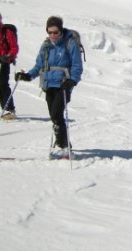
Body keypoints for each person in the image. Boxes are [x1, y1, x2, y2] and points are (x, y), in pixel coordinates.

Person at [15, 16, 83, 158]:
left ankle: (65, 147)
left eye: (55, 32)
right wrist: (28, 76)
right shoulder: (46, 45)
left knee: (56, 114)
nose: (52, 35)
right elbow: (39, 65)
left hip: (63, 85)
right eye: (49, 32)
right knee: (54, 116)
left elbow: (77, 66)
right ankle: (63, 144)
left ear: (61, 30)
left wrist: (72, 81)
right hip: (48, 85)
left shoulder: (70, 43)